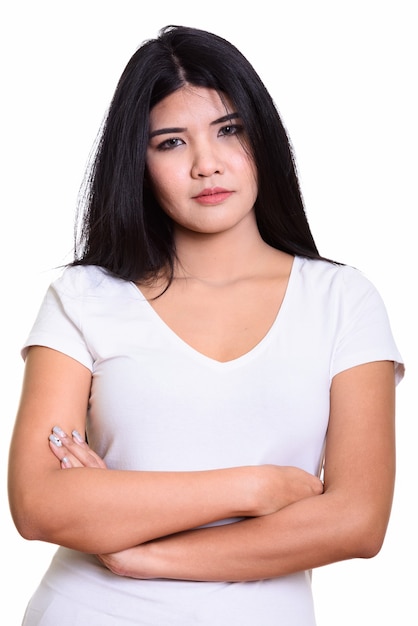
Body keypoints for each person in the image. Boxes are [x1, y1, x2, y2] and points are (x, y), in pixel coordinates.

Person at [8, 24, 404, 626]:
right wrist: (256, 488)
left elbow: (357, 522)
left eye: (229, 130)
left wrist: (141, 554)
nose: (206, 165)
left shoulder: (343, 300)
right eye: (170, 143)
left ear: (261, 138)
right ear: (137, 163)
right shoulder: (84, 297)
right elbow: (38, 505)